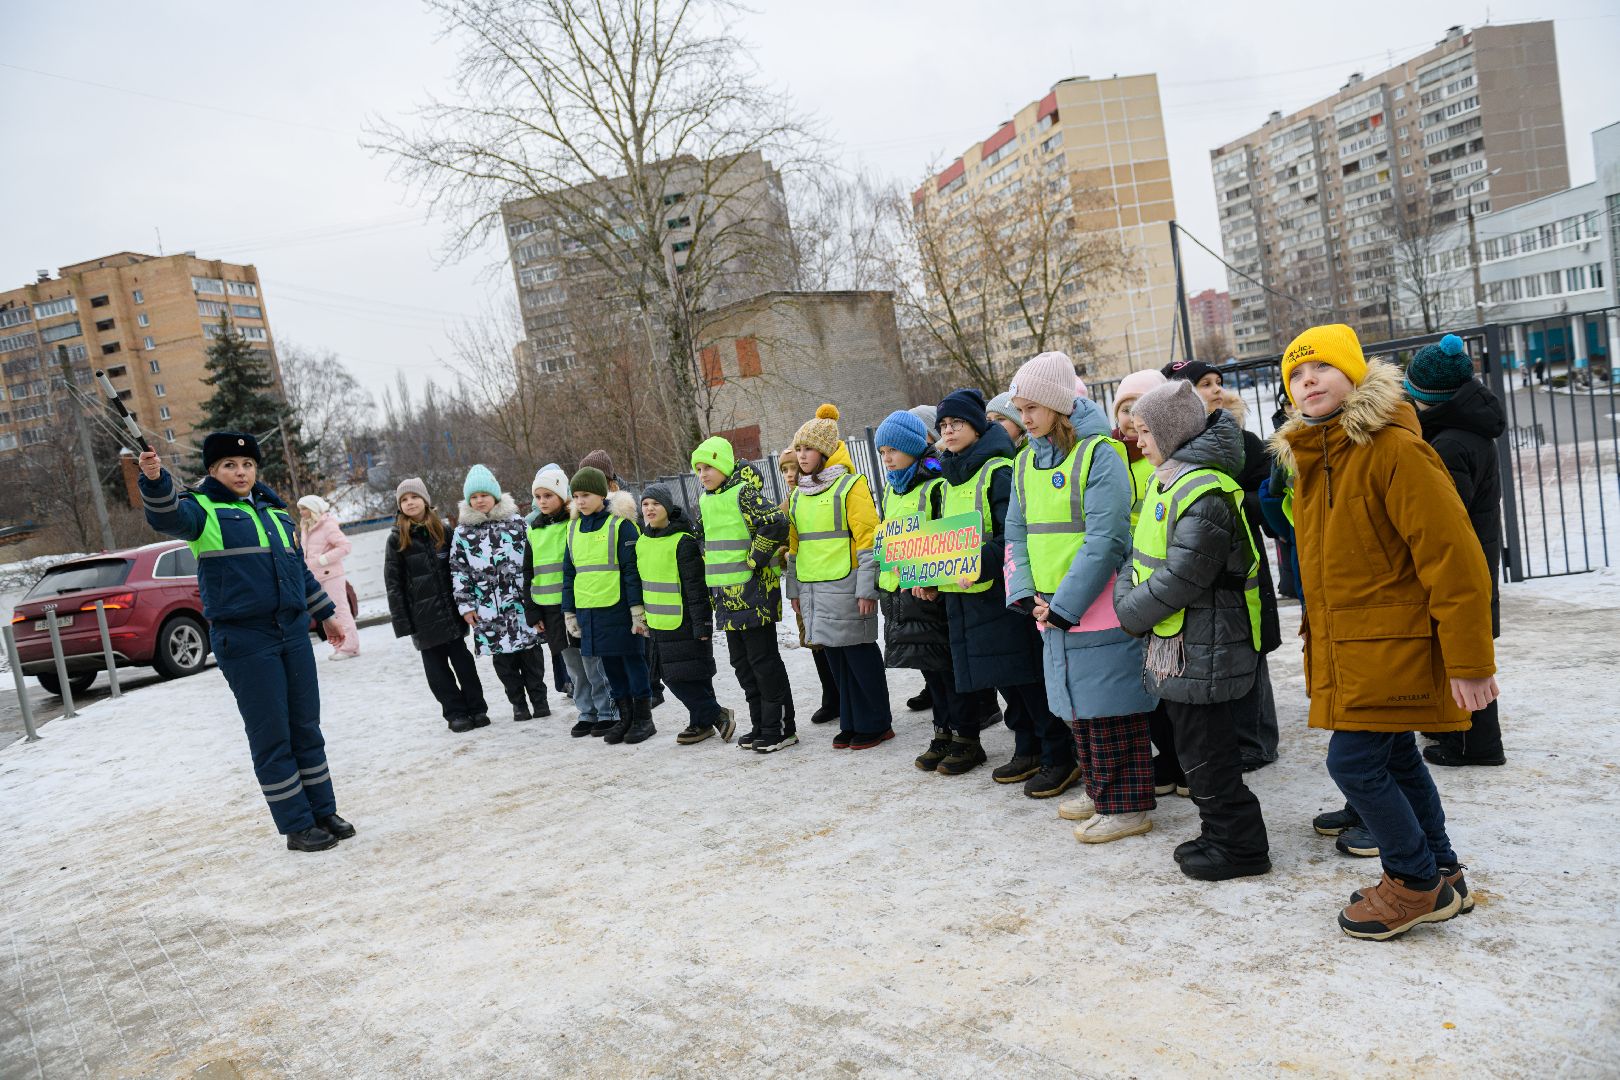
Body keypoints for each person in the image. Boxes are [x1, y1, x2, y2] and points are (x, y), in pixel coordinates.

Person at [1273, 324, 1497, 939]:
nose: (1307, 380)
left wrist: (1471, 658)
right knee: (1394, 755)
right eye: (1295, 374)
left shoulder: (1393, 450)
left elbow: (1454, 557)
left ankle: (1412, 882)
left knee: (1354, 763)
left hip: (1390, 646)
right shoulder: (1317, 457)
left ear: (1355, 376)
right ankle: (1442, 872)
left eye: (1319, 368)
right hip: (1353, 646)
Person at [138, 434, 354, 852]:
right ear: (212, 471)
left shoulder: (275, 512)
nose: (240, 472)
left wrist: (326, 614)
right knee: (272, 735)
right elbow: (166, 516)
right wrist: (155, 479)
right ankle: (297, 824)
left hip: (291, 632)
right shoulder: (202, 510)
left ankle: (322, 810)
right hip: (245, 638)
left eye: (247, 464)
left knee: (305, 727)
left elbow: (298, 572)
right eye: (229, 465)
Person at [1114, 380, 1270, 881]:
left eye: (1144, 431)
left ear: (1173, 431)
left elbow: (1184, 574)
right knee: (1195, 749)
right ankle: (1218, 832)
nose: (1138, 441)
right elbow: (1139, 557)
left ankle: (1241, 847)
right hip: (1181, 640)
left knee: (1209, 752)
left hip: (1207, 643)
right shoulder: (1171, 479)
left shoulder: (1203, 492)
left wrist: (1130, 612)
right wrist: (1127, 596)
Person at [1006, 354, 1159, 842]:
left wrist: (1065, 604)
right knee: (1077, 708)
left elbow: (1107, 538)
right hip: (1051, 609)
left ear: (1057, 405)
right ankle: (1100, 789)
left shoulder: (1100, 454)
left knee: (1113, 706)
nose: (1024, 418)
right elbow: (1016, 532)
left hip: (1097, 606)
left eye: (1032, 407)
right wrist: (1025, 592)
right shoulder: (1026, 459)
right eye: (1019, 408)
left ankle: (1128, 805)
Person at [933, 383, 1077, 799]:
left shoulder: (999, 470)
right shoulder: (946, 479)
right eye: (943, 424)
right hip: (965, 592)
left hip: (1002, 590)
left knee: (1027, 677)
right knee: (1003, 679)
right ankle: (1027, 747)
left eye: (957, 421)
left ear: (978, 427)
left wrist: (977, 559)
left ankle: (1058, 754)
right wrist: (929, 574)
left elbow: (1014, 535)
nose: (949, 430)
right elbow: (939, 539)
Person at [1163, 359, 1282, 772]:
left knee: (1250, 646)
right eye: (1202, 384)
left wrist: (1219, 503)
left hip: (1240, 562)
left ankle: (1257, 740)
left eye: (1217, 382)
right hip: (1197, 567)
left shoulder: (1243, 442)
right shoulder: (1168, 448)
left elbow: (1267, 501)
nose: (1215, 390)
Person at [1405, 333, 1507, 768]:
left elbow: (1448, 516)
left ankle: (1477, 744)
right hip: (1479, 555)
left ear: (1425, 396)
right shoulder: (1468, 428)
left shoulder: (1448, 444)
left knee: (1463, 651)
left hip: (1466, 564)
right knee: (1467, 648)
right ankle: (1462, 734)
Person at [873, 410, 984, 773]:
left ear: (910, 448)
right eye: (881, 452)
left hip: (931, 592)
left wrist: (933, 580)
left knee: (948, 667)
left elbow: (945, 537)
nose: (886, 458)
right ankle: (943, 731)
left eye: (892, 450)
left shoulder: (935, 483)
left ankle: (966, 737)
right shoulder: (892, 488)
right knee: (929, 670)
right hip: (903, 593)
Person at [786, 405, 893, 749]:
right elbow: (794, 548)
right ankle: (851, 720)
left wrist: (867, 589)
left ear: (826, 451)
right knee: (835, 657)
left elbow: (867, 539)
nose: (802, 455)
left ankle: (876, 722)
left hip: (847, 586)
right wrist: (795, 591)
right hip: (814, 587)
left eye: (808, 448)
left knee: (859, 655)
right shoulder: (797, 495)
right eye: (798, 448)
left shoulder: (851, 485)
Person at [691, 435, 795, 752]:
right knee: (742, 665)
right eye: (698, 468)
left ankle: (781, 728)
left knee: (764, 664)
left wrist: (756, 558)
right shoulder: (706, 501)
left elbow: (777, 521)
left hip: (755, 596)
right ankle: (760, 724)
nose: (703, 473)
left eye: (709, 466)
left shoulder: (743, 494)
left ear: (723, 465)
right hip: (726, 600)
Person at [1110, 368, 1182, 798]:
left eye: (1139, 407)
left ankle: (1181, 760)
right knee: (1147, 683)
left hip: (1160, 580)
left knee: (1171, 682)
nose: (1130, 417)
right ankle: (1166, 757)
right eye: (1123, 408)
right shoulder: (1111, 455)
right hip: (1128, 580)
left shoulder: (1165, 461)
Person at [385, 477, 488, 732]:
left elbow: (460, 569)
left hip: (451, 613)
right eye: (404, 500)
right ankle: (455, 713)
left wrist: (467, 604)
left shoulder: (444, 530)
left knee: (464, 663)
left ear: (425, 501)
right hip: (422, 620)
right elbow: (393, 583)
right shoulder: (396, 538)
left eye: (414, 497)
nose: (410, 503)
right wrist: (403, 622)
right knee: (437, 671)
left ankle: (477, 708)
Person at [450, 464, 550, 722]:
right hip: (487, 609)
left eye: (483, 494)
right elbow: (458, 570)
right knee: (504, 661)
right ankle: (518, 703)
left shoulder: (516, 523)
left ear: (495, 495)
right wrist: (466, 606)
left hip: (520, 604)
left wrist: (536, 595)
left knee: (531, 655)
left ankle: (539, 699)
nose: (479, 500)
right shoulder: (462, 533)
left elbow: (533, 560)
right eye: (474, 496)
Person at [637, 483, 735, 745]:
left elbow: (696, 587)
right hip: (658, 622)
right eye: (645, 504)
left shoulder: (683, 541)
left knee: (684, 676)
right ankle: (703, 722)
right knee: (680, 675)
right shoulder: (642, 542)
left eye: (655, 504)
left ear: (667, 507)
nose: (649, 509)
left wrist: (702, 623)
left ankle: (716, 715)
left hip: (684, 621)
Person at [562, 466, 654, 744]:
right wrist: (569, 612)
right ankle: (624, 717)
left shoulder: (620, 525)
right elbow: (569, 573)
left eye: (586, 495)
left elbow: (632, 571)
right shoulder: (573, 528)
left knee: (632, 661)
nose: (580, 501)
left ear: (602, 494)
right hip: (590, 611)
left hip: (621, 609)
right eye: (576, 495)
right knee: (610, 665)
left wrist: (637, 610)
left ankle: (643, 719)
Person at [778, 447, 839, 728]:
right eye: (785, 470)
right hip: (801, 579)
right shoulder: (784, 505)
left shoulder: (812, 494)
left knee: (830, 638)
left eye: (794, 468)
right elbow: (782, 548)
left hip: (823, 575)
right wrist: (783, 555)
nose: (791, 474)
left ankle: (837, 694)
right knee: (812, 638)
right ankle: (830, 694)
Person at [522, 465, 575, 699]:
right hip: (549, 608)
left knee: (588, 660)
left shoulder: (573, 525)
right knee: (568, 659)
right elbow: (528, 572)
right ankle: (585, 710)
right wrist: (532, 611)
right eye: (537, 497)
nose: (542, 501)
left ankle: (603, 709)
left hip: (575, 602)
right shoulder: (534, 530)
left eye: (548, 495)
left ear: (562, 496)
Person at [297, 495, 359, 661]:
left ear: (313, 509)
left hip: (332, 575)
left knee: (340, 610)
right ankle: (340, 647)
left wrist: (322, 560)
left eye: (304, 509)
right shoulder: (307, 526)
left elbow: (345, 546)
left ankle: (351, 647)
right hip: (316, 577)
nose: (301, 513)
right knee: (329, 614)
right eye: (300, 509)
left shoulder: (328, 524)